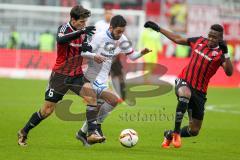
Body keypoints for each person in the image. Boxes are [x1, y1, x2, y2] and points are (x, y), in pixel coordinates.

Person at [17, 5, 105, 147]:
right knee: (47, 110)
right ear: (73, 20)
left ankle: (92, 133)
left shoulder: (84, 32)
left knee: (92, 96)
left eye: (85, 22)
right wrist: (82, 32)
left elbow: (84, 49)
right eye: (81, 22)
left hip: (77, 74)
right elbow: (61, 40)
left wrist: (90, 50)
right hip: (60, 76)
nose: (84, 24)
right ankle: (24, 131)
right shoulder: (64, 29)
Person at [144, 21, 233, 148]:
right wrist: (159, 28)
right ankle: (176, 133)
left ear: (220, 39)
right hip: (184, 81)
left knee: (194, 130)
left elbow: (229, 72)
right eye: (210, 35)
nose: (211, 39)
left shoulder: (220, 54)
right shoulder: (199, 41)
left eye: (215, 37)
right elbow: (177, 39)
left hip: (200, 92)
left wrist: (226, 53)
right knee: (185, 94)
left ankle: (169, 134)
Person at [75, 15, 152, 146]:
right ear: (111, 27)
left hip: (104, 78)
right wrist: (94, 56)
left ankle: (83, 133)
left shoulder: (122, 39)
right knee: (113, 100)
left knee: (99, 106)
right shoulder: (99, 37)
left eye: (122, 31)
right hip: (93, 76)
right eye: (118, 31)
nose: (120, 34)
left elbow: (132, 56)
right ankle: (97, 127)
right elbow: (83, 52)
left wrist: (142, 53)